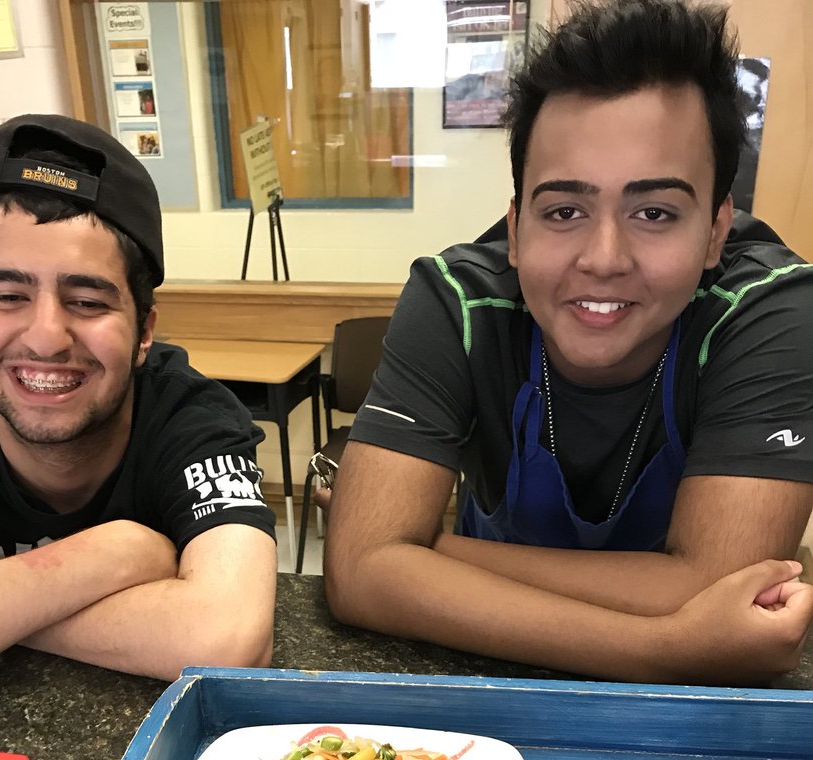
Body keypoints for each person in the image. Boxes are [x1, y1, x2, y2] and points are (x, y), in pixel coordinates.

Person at [325, 0, 813, 685]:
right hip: (472, 690)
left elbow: (723, 585)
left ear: (715, 231)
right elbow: (356, 575)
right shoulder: (457, 302)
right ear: (517, 225)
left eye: (654, 212)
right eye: (564, 211)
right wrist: (665, 647)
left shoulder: (770, 311)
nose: (604, 257)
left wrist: (433, 555)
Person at [0, 114, 277, 700]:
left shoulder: (195, 419)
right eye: (6, 296)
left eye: (86, 300)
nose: (46, 338)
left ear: (143, 331)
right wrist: (117, 552)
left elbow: (228, 638)